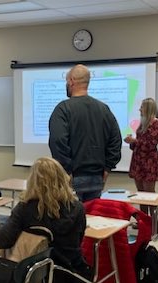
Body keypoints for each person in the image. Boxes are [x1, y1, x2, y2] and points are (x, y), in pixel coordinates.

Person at [0, 157, 91, 283]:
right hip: (69, 274)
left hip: (31, 277)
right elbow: (78, 242)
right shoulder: (77, 208)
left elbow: (3, 241)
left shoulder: (24, 209)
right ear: (62, 178)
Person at [48, 64, 122, 201]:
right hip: (97, 178)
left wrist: (66, 170)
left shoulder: (63, 109)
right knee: (92, 218)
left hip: (73, 176)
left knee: (72, 219)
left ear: (71, 81)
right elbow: (116, 140)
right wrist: (107, 168)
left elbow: (58, 141)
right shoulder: (104, 109)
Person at [124, 98, 158, 214]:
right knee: (140, 194)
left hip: (149, 163)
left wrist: (134, 141)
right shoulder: (142, 124)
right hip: (138, 161)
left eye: (142, 107)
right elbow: (138, 144)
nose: (139, 109)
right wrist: (131, 142)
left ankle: (154, 222)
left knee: (149, 194)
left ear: (148, 108)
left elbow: (150, 144)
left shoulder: (156, 124)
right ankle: (144, 219)